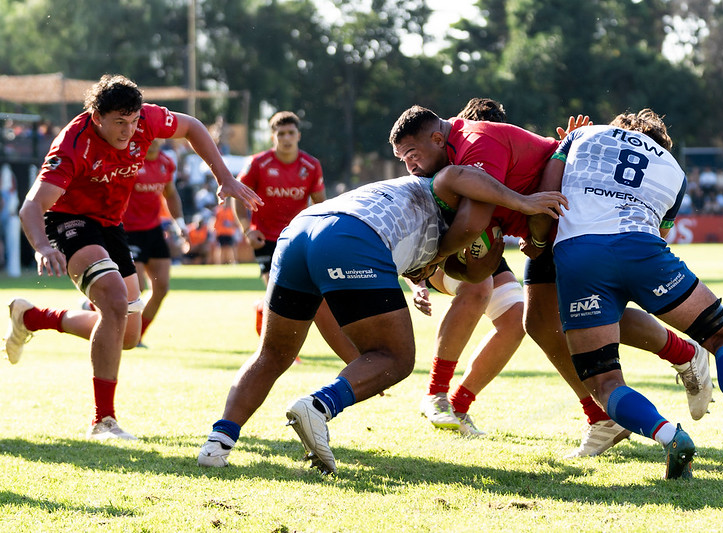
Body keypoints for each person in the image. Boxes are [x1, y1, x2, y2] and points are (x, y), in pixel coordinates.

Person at [197, 164, 569, 473]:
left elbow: (329, 310)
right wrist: (521, 201)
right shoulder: (449, 189)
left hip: (299, 231)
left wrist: (359, 364)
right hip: (352, 236)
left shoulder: (409, 201)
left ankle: (217, 443)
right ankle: (318, 406)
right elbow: (461, 176)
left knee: (273, 353)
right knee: (398, 358)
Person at [389, 105, 713, 458]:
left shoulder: (477, 142)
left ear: (439, 138)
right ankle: (605, 414)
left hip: (567, 225)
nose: (410, 166)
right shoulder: (457, 153)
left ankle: (679, 357)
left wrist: (434, 262)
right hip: (545, 229)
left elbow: (473, 223)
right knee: (543, 323)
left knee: (582, 318)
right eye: (404, 159)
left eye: (412, 155)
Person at [529, 109, 723, 478]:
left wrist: (538, 241)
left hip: (580, 258)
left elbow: (546, 198)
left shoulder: (582, 135)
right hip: (643, 251)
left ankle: (669, 436)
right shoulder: (674, 169)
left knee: (604, 381)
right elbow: (662, 233)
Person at [3, 74, 262, 440]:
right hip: (69, 219)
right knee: (113, 300)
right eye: (119, 123)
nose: (129, 131)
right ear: (97, 117)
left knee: (126, 334)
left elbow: (192, 126)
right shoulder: (73, 144)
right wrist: (44, 247)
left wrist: (224, 177)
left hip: (111, 224)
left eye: (134, 121)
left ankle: (32, 317)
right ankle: (103, 421)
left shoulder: (147, 120)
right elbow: (31, 206)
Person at [412, 98, 526, 437]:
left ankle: (459, 407)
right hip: (439, 249)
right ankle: (435, 394)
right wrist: (417, 282)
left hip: (482, 246)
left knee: (516, 319)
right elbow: (410, 231)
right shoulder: (436, 162)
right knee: (478, 286)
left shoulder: (499, 154)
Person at [235, 111, 357, 364]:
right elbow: (238, 195)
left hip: (297, 238)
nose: (286, 138)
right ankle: (277, 351)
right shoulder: (258, 163)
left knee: (307, 295)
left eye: (291, 133)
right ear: (273, 137)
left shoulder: (311, 165)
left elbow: (320, 204)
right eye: (281, 134)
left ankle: (265, 312)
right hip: (266, 238)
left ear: (298, 135)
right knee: (279, 293)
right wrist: (247, 230)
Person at [121, 139, 188, 345]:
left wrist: (180, 224)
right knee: (137, 288)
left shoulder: (166, 162)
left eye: (157, 135)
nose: (153, 140)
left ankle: (136, 336)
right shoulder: (129, 161)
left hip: (154, 230)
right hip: (128, 232)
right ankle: (94, 309)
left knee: (161, 289)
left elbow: (170, 194)